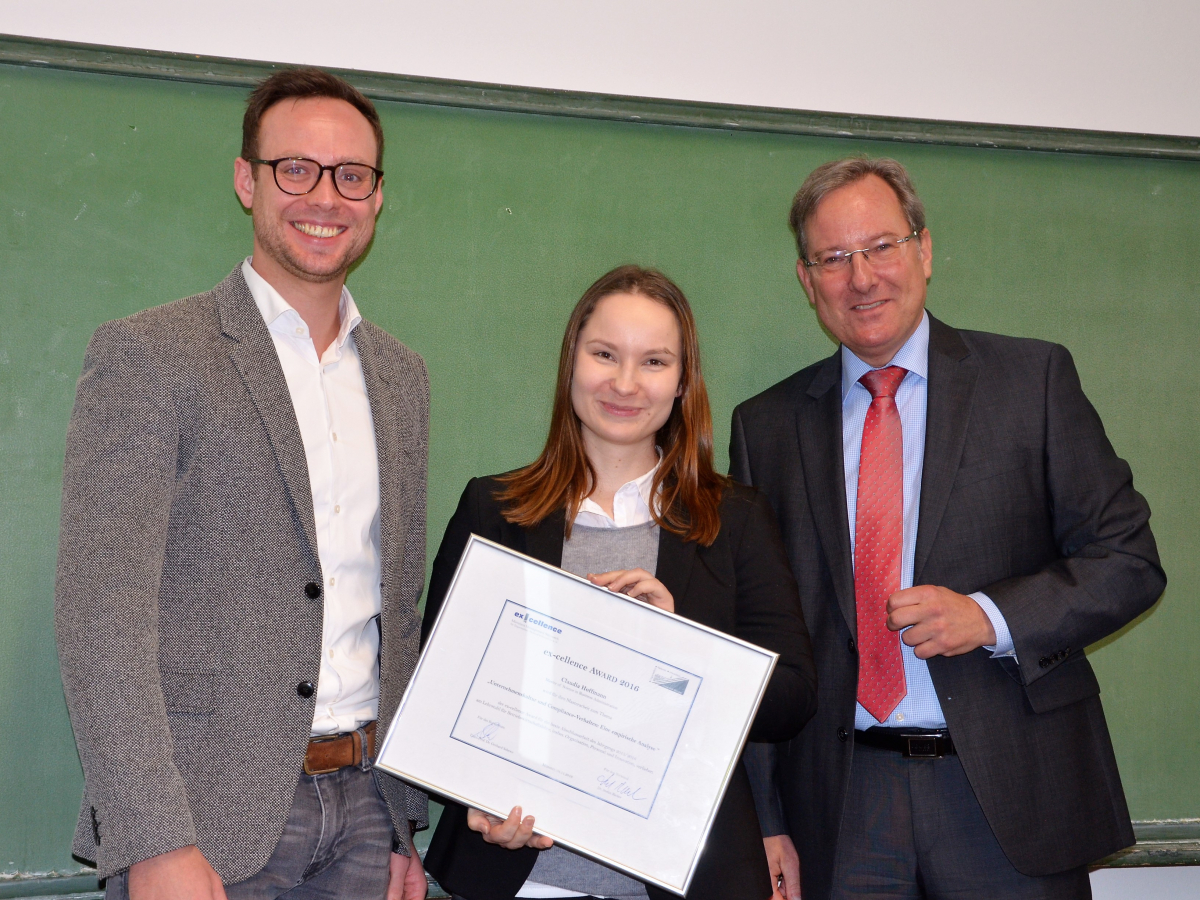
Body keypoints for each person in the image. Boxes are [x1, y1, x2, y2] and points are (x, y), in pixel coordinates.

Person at [731, 157, 1166, 900]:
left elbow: (1129, 561)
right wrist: (765, 819)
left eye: (881, 246)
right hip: (840, 808)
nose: (861, 277)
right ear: (807, 280)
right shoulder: (765, 428)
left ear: (924, 250)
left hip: (1008, 796)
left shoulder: (1032, 382)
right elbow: (758, 639)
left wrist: (989, 617)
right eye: (833, 259)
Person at [54, 69, 430, 900]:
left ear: (376, 197)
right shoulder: (151, 356)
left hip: (365, 813)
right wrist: (154, 838)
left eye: (351, 175)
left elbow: (395, 612)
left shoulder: (403, 379)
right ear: (246, 180)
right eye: (295, 169)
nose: (324, 197)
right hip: (202, 820)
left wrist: (403, 820)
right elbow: (101, 616)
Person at [419, 265, 818, 900]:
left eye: (654, 361)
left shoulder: (736, 518)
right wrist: (477, 798)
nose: (626, 383)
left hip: (690, 879)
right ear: (571, 362)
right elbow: (439, 696)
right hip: (522, 882)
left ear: (682, 382)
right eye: (604, 354)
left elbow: (793, 699)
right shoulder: (493, 510)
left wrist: (682, 643)